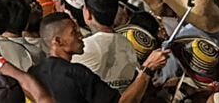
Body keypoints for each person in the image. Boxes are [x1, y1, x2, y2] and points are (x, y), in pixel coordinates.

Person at [35, 12, 166, 103]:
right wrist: (148, 69)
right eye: (74, 32)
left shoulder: (34, 73)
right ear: (58, 41)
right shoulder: (77, 73)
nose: (80, 35)